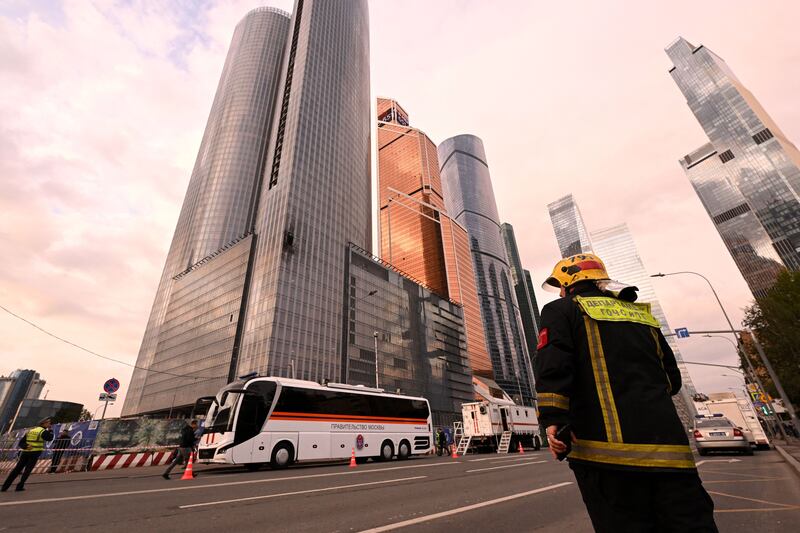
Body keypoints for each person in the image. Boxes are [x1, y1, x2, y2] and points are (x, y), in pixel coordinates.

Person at [534, 254, 718, 532]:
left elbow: (553, 365)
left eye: (560, 286)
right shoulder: (642, 315)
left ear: (568, 283)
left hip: (606, 456)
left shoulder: (561, 310)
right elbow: (672, 380)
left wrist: (552, 420)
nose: (560, 292)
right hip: (670, 453)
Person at [2, 418, 54, 492]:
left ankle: (5, 487)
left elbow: (21, 442)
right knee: (27, 470)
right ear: (44, 423)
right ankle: (20, 486)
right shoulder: (43, 432)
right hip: (34, 453)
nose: (50, 424)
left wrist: (26, 446)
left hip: (25, 452)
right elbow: (50, 438)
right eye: (48, 423)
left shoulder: (31, 431)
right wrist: (51, 431)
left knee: (17, 469)